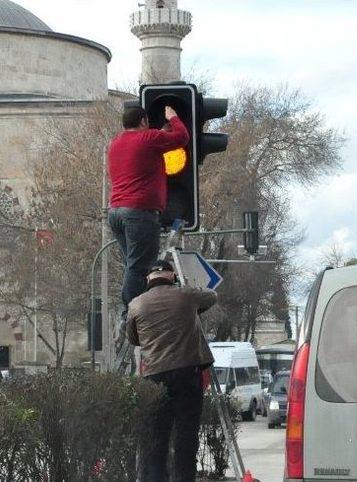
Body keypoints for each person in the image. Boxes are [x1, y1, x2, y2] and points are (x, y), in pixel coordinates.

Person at [127, 260, 217, 482]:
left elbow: (133, 338)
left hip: (154, 376)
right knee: (186, 433)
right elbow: (211, 296)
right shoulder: (186, 295)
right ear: (172, 276)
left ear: (148, 279)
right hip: (187, 372)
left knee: (158, 435)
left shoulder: (136, 304)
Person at [108, 105, 190, 320]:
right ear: (144, 121)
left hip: (116, 212)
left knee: (133, 266)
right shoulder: (148, 139)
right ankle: (132, 314)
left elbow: (144, 150)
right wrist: (173, 117)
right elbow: (182, 137)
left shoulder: (115, 144)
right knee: (139, 267)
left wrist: (161, 133)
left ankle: (137, 311)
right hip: (139, 213)